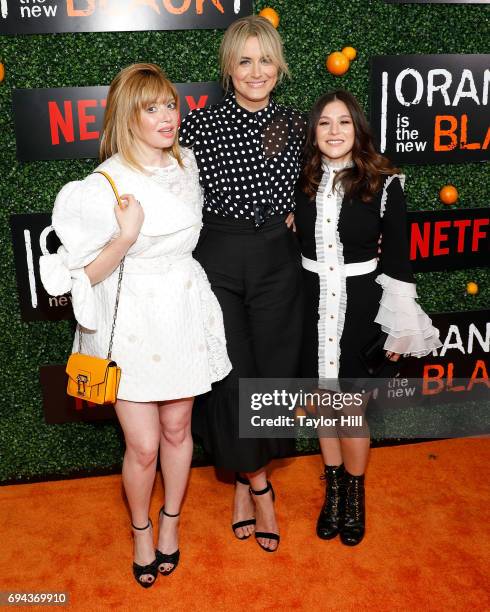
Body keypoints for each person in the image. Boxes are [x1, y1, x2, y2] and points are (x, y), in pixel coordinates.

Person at [39, 63, 231, 586]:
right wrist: (124, 237)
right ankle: (141, 529)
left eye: (170, 104)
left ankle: (171, 523)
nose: (168, 116)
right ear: (129, 115)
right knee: (143, 445)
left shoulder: (188, 164)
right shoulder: (103, 184)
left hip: (184, 309)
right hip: (132, 324)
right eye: (152, 108)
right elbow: (76, 279)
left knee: (177, 429)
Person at [179, 15, 305, 552]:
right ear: (228, 67)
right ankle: (260, 488)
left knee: (273, 375)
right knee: (232, 378)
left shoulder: (297, 125)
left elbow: (329, 184)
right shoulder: (198, 127)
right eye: (245, 60)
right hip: (219, 259)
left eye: (266, 59)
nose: (257, 71)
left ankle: (239, 481)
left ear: (279, 66)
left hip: (280, 259)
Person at [294, 90, 441, 546]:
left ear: (358, 128)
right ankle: (333, 491)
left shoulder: (385, 182)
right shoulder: (302, 179)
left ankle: (354, 498)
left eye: (343, 122)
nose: (334, 131)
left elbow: (397, 259)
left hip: (361, 306)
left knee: (352, 410)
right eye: (324, 123)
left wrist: (400, 326)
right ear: (314, 132)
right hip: (312, 303)